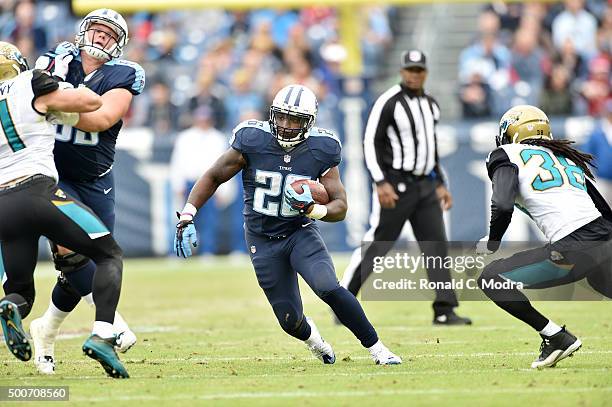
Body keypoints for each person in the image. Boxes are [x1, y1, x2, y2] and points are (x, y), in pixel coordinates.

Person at [174, 84, 401, 365]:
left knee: (328, 287)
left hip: (298, 232)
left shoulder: (322, 149)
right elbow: (213, 176)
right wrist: (188, 213)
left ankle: (378, 349)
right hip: (261, 238)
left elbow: (340, 206)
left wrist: (314, 209)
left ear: (309, 123)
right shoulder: (252, 140)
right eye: (281, 117)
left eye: (294, 120)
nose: (285, 125)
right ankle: (315, 341)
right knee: (289, 320)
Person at [27, 8, 145, 375]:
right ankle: (111, 324)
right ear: (82, 31)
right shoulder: (56, 59)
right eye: (96, 29)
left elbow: (102, 118)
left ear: (120, 44)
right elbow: (28, 100)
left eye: (110, 34)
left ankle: (45, 330)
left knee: (86, 262)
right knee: (77, 256)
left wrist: (59, 103)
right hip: (53, 174)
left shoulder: (125, 74)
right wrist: (50, 81)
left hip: (97, 179)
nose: (101, 38)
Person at [0, 41, 128, 378]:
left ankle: (11, 307)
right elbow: (92, 101)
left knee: (20, 289)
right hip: (36, 191)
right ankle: (103, 334)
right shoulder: (31, 82)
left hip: (3, 207)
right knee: (108, 254)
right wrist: (58, 96)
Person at [340, 50, 472, 325]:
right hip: (396, 184)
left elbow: (429, 147)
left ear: (425, 72)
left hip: (425, 184)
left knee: (436, 246)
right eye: (409, 70)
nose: (414, 74)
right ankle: (344, 300)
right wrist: (380, 182)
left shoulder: (430, 104)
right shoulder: (388, 102)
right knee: (379, 244)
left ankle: (444, 310)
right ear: (402, 71)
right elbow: (370, 142)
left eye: (419, 70)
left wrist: (440, 182)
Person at [477, 104, 612, 369]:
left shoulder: (505, 154)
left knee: (491, 279)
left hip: (573, 250)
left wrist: (492, 242)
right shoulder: (566, 157)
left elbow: (503, 204)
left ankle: (556, 337)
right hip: (606, 240)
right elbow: (604, 210)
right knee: (598, 279)